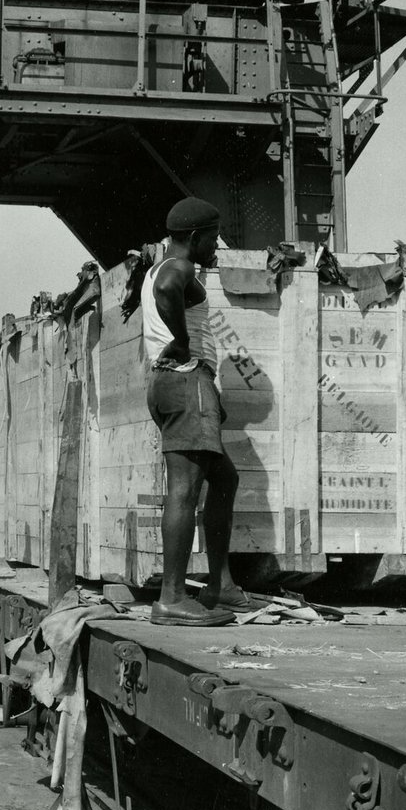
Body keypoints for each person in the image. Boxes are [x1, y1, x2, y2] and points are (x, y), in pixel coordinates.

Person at [141, 196, 258, 627]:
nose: (216, 247)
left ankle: (220, 585)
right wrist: (184, 344)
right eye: (212, 238)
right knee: (185, 488)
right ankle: (171, 598)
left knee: (224, 478)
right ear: (193, 237)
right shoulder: (178, 268)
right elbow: (169, 288)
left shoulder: (157, 265)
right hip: (185, 380)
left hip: (181, 383)